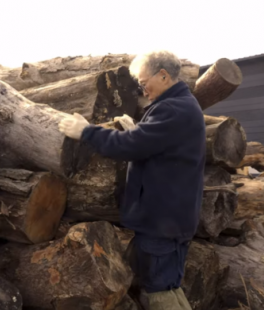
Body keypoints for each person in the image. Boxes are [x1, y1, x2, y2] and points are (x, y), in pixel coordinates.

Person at [58, 50, 205, 310]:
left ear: (163, 75)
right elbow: (158, 145)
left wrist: (86, 132)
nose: (142, 88)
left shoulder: (174, 108)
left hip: (164, 221)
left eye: (144, 81)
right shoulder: (179, 104)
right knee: (164, 283)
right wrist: (137, 129)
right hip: (168, 217)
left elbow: (131, 147)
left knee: (160, 290)